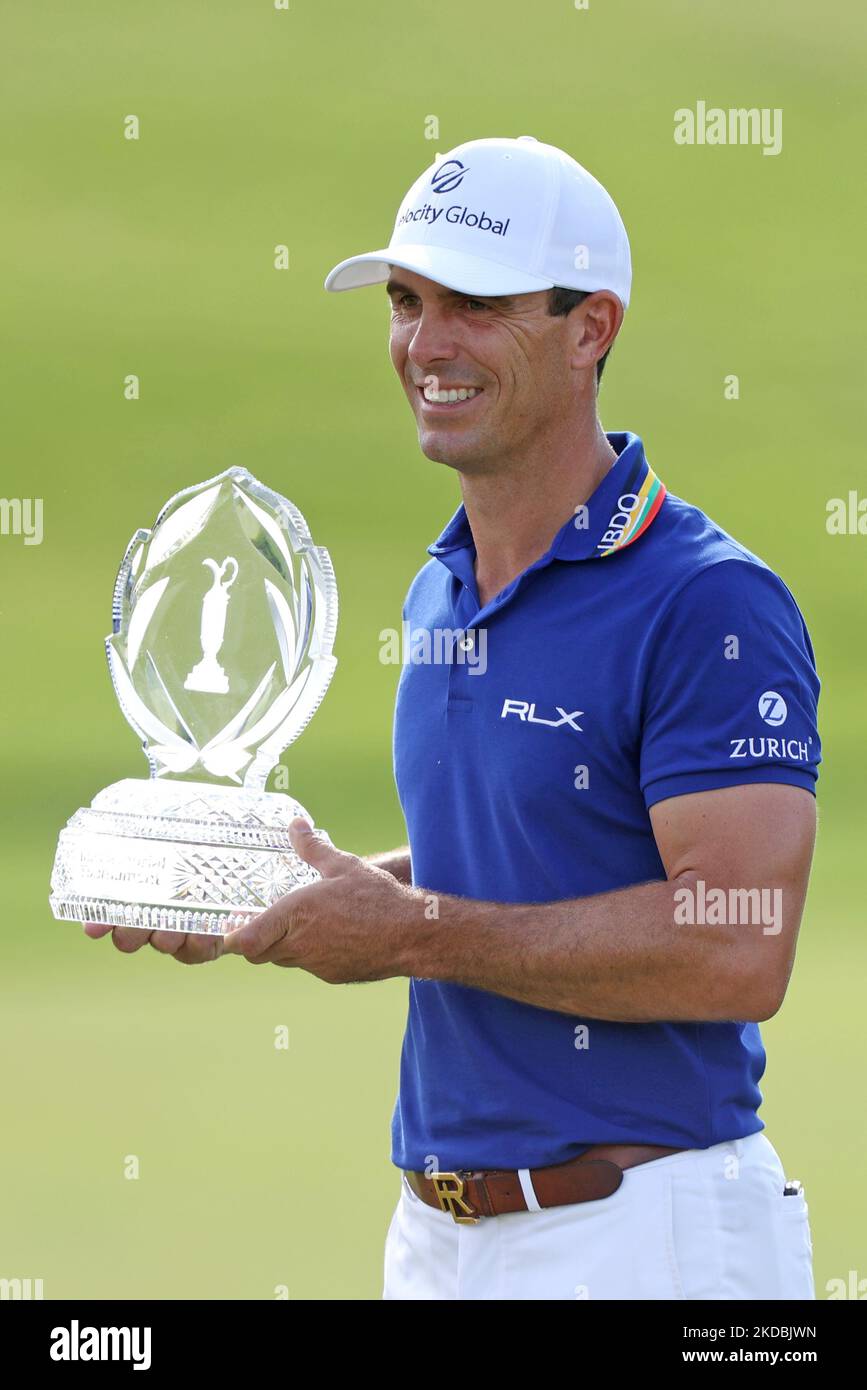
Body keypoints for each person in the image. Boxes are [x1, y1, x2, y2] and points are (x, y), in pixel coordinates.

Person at [89, 136, 821, 1301]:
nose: (427, 344)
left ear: (592, 329)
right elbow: (521, 857)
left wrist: (409, 932)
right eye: (406, 301)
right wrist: (279, 895)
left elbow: (736, 941)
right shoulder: (445, 583)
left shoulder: (709, 599)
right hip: (437, 1238)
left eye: (476, 305)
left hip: (643, 1235)